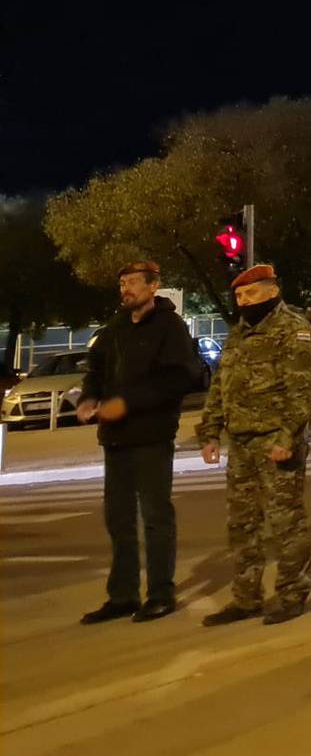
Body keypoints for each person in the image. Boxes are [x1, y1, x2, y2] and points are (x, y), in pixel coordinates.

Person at [75, 260, 203, 624]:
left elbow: (181, 378)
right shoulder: (115, 327)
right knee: (118, 519)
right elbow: (96, 369)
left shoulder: (170, 327)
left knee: (155, 518)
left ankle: (161, 592)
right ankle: (123, 595)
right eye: (122, 284)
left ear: (153, 286)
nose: (125, 289)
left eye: (132, 282)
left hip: (151, 436)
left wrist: (126, 404)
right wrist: (89, 398)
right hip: (115, 440)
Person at [196, 265, 311, 626]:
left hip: (275, 442)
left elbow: (301, 392)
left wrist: (286, 439)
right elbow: (222, 385)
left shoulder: (292, 329)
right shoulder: (239, 334)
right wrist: (210, 432)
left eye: (251, 294)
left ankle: (292, 593)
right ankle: (246, 597)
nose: (244, 301)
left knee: (286, 522)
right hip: (241, 443)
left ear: (271, 291)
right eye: (239, 296)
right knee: (243, 525)